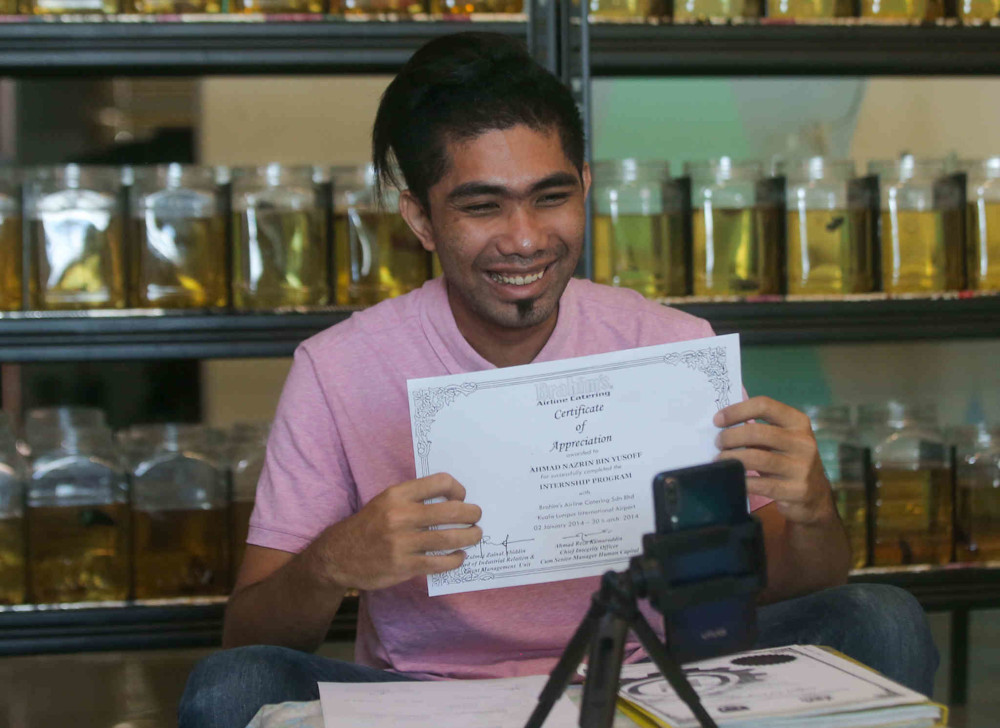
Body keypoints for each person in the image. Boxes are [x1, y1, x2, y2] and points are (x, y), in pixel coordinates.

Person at [179, 31, 938, 728]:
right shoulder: (338, 368)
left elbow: (794, 584)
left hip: (652, 681)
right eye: (482, 206)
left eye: (551, 197)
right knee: (232, 686)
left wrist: (812, 509)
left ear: (585, 184)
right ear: (420, 218)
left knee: (881, 618)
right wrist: (332, 562)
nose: (525, 240)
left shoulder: (670, 347)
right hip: (434, 698)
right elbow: (249, 636)